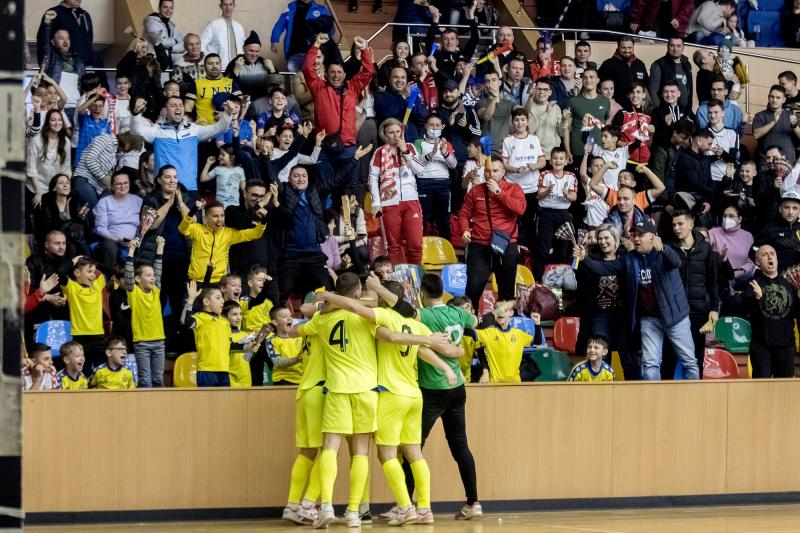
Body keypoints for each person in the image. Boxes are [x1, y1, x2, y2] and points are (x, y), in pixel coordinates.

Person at [317, 281, 460, 525]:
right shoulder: (416, 325)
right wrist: (445, 365)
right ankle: (424, 508)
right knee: (414, 454)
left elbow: (390, 334)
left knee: (387, 456)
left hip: (390, 395)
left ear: (383, 300)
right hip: (414, 395)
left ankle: (405, 506)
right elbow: (433, 349)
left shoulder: (382, 318)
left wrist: (327, 296)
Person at [579, 220, 700, 380]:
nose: (636, 238)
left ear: (653, 237)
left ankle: (695, 402)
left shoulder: (663, 252)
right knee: (650, 365)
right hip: (649, 319)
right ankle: (651, 402)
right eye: (633, 235)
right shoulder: (629, 258)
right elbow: (604, 269)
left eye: (641, 235)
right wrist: (585, 258)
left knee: (688, 361)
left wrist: (663, 249)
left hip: (675, 317)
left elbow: (676, 262)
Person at [274, 147, 370, 303]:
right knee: (282, 292)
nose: (300, 179)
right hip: (290, 255)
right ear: (289, 179)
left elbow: (336, 179)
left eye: (303, 176)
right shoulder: (284, 191)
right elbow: (271, 174)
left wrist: (355, 159)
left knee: (328, 289)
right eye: (296, 176)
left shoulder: (313, 192)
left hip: (314, 255)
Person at [303, 33, 374, 193]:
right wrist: (315, 45)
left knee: (349, 190)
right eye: (332, 72)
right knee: (323, 189)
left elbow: (368, 72)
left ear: (345, 75)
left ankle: (348, 217)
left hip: (348, 147)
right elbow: (307, 68)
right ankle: (326, 217)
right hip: (324, 147)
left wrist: (364, 49)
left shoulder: (352, 87)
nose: (336, 75)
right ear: (326, 74)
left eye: (339, 72)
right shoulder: (318, 87)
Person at [131, 96, 235, 198]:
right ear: (165, 110)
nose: (178, 108)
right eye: (173, 105)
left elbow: (219, 128)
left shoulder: (193, 129)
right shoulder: (157, 130)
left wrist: (228, 114)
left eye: (180, 105)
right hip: (164, 190)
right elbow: (136, 132)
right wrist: (135, 114)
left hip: (189, 189)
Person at [459, 159, 526, 308]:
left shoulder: (514, 188)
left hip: (506, 245)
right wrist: (464, 229)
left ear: (503, 172)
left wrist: (498, 192)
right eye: (488, 171)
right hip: (480, 245)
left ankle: (503, 328)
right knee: (473, 289)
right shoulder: (475, 191)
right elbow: (463, 214)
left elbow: (520, 209)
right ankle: (471, 325)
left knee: (506, 293)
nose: (491, 174)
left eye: (495, 171)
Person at [667, 211, 720, 378]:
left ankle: (695, 399)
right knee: (668, 357)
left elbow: (713, 281)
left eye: (680, 224)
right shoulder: (669, 248)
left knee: (696, 357)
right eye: (674, 224)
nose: (676, 228)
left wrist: (714, 308)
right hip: (675, 312)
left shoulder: (705, 248)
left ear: (691, 225)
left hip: (699, 310)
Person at [369, 118, 424, 265]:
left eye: (398, 132)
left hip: (411, 201)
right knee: (393, 246)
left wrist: (405, 151)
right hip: (389, 202)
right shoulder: (379, 152)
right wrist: (376, 202)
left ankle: (416, 279)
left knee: (415, 245)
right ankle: (398, 282)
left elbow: (420, 170)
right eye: (391, 133)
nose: (395, 135)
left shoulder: (410, 147)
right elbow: (373, 179)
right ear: (384, 135)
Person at [183, 281, 257, 387]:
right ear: (206, 302)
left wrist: (247, 346)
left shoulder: (224, 322)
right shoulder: (200, 318)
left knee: (224, 403)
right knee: (208, 403)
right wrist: (190, 299)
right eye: (218, 298)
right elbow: (185, 321)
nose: (222, 301)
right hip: (207, 371)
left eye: (222, 297)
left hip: (224, 370)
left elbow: (229, 345)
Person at [742, 245, 799, 378]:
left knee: (785, 391)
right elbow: (744, 310)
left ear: (777, 259)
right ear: (757, 262)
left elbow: (796, 312)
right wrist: (757, 298)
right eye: (764, 255)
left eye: (772, 254)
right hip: (762, 346)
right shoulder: (753, 284)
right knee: (761, 391)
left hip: (786, 346)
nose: (769, 257)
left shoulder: (790, 284)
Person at [178, 199, 266, 285]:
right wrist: (193, 210)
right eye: (215, 216)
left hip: (219, 281)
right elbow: (182, 228)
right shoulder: (197, 229)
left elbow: (255, 234)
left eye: (222, 215)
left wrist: (263, 221)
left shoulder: (229, 233)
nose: (220, 219)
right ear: (205, 218)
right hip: (195, 281)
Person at [502, 107, 546, 251]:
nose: (520, 123)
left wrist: (535, 166)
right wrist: (516, 169)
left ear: (527, 121)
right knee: (513, 221)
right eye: (516, 120)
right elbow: (504, 164)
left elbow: (543, 162)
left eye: (522, 119)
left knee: (530, 222)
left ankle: (530, 253)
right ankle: (513, 249)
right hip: (513, 187)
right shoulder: (508, 140)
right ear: (512, 122)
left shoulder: (534, 139)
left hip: (532, 188)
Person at [125, 236, 165, 388]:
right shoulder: (133, 292)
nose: (153, 278)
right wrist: (131, 250)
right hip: (141, 343)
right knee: (145, 380)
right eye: (148, 275)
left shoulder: (156, 290)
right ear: (137, 279)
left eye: (153, 275)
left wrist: (160, 247)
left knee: (158, 380)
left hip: (159, 341)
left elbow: (159, 269)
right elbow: (128, 274)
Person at [534, 147, 578, 280]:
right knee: (543, 249)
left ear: (566, 161)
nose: (558, 161)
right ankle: (538, 279)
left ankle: (559, 280)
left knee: (563, 250)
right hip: (546, 214)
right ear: (550, 160)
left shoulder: (571, 176)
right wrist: (547, 191)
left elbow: (574, 198)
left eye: (561, 158)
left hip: (563, 215)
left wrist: (567, 195)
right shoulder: (545, 174)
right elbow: (539, 196)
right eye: (555, 158)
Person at [477, 302, 542, 383]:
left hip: (515, 383)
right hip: (494, 383)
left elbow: (537, 342)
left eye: (504, 310)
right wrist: (485, 371)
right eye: (498, 310)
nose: (501, 313)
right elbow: (472, 332)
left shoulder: (518, 334)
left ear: (511, 313)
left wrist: (537, 323)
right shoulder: (488, 333)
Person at [416, 114, 457, 240]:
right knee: (422, 220)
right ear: (426, 126)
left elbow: (453, 165)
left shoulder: (446, 144)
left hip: (443, 185)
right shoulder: (419, 143)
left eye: (437, 125)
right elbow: (416, 164)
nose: (434, 128)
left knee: (444, 221)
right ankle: (419, 252)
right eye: (431, 125)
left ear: (442, 127)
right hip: (424, 184)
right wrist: (432, 153)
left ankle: (448, 252)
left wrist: (444, 152)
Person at [62, 255, 106, 372]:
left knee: (101, 371)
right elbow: (60, 272)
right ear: (77, 272)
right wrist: (74, 260)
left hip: (98, 335)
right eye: (89, 271)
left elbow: (110, 269)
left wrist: (91, 261)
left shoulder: (97, 284)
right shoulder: (71, 287)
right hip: (80, 336)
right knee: (82, 371)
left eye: (94, 271)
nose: (93, 274)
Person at [92, 171, 143, 273]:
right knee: (109, 246)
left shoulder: (138, 200)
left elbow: (143, 224)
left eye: (125, 183)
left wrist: (138, 238)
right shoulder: (105, 202)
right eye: (119, 184)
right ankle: (109, 279)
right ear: (112, 186)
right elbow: (100, 228)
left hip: (135, 239)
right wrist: (118, 240)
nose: (123, 186)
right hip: (112, 239)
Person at [225, 31, 283, 114]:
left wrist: (272, 70)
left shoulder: (265, 62)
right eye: (251, 51)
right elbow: (226, 87)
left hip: (264, 103)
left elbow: (278, 87)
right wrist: (235, 71)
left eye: (257, 51)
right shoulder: (235, 63)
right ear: (244, 49)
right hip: (242, 103)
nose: (254, 54)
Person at [26, 109, 72, 211]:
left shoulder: (66, 141)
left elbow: (66, 168)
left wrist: (64, 189)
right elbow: (31, 167)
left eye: (60, 120)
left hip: (56, 189)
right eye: (53, 120)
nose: (57, 123)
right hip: (36, 187)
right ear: (47, 122)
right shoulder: (37, 140)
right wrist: (38, 192)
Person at [270, 0, 334, 73]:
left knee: (311, 77)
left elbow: (331, 30)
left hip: (314, 52)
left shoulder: (321, 10)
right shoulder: (291, 7)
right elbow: (279, 25)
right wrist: (274, 39)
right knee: (295, 77)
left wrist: (323, 35)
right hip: (294, 52)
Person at [565, 68, 611, 164]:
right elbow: (566, 128)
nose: (588, 80)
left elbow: (608, 127)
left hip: (599, 151)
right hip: (578, 151)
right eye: (585, 77)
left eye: (591, 77)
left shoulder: (605, 101)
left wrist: (608, 148)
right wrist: (568, 151)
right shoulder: (573, 101)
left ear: (598, 80)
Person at [38, 22, 84, 117]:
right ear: (53, 41)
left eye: (67, 38)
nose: (65, 41)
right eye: (61, 38)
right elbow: (43, 44)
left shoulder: (78, 61)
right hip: (59, 107)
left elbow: (83, 85)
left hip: (77, 108)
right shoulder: (51, 58)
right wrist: (46, 25)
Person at [36, 1, 98, 71]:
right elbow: (43, 42)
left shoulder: (85, 15)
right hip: (64, 69)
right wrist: (45, 68)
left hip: (86, 69)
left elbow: (89, 41)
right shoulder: (53, 13)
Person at [374, 67, 429, 143]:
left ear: (406, 80)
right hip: (391, 144)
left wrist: (412, 100)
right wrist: (403, 96)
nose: (400, 80)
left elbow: (423, 117)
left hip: (412, 142)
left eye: (403, 77)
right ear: (389, 80)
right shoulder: (381, 95)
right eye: (396, 77)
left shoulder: (413, 96)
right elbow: (386, 112)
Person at [184, 54, 241, 125]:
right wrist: (190, 124)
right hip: (204, 127)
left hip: (227, 127)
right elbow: (188, 107)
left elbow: (240, 104)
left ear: (221, 65)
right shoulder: (196, 84)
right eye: (210, 64)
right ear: (204, 66)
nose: (214, 66)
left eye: (217, 63)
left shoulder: (231, 82)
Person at [752, 85, 800, 168]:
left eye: (778, 98)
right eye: (772, 97)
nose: (774, 100)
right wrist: (774, 121)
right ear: (768, 97)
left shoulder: (791, 115)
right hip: (765, 163)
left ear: (784, 100)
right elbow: (756, 135)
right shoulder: (760, 116)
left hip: (786, 162)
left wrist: (795, 126)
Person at [598, 37, 649, 110]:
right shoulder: (608, 64)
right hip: (616, 110)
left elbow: (646, 87)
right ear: (618, 47)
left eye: (629, 47)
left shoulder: (640, 64)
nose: (627, 50)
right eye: (623, 48)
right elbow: (599, 86)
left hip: (638, 109)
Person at [755, 192, 800, 273]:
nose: (790, 212)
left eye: (795, 208)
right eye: (786, 207)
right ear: (780, 209)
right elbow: (755, 250)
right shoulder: (769, 229)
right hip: (777, 276)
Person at [649, 37, 693, 110]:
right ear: (667, 46)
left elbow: (689, 91)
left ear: (683, 47)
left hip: (684, 112)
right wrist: (661, 112)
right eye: (672, 45)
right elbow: (652, 92)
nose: (675, 49)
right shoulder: (659, 64)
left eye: (678, 46)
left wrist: (688, 110)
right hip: (666, 114)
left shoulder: (687, 64)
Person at [476, 70, 514, 155]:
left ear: (499, 82)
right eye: (487, 81)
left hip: (504, 148)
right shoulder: (481, 102)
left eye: (494, 80)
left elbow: (523, 112)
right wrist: (494, 98)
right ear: (485, 85)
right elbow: (486, 117)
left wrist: (530, 98)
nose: (491, 83)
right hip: (486, 149)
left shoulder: (509, 103)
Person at [200, 0, 246, 69]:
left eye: (230, 4)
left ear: (234, 6)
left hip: (239, 68)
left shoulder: (239, 27)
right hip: (220, 69)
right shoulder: (213, 24)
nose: (228, 8)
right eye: (225, 5)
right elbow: (201, 45)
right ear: (220, 6)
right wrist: (211, 61)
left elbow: (244, 48)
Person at [200, 144, 246, 209]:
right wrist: (208, 163)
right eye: (219, 154)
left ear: (232, 157)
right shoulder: (218, 169)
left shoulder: (240, 170)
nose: (220, 156)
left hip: (235, 206)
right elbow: (203, 179)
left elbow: (244, 188)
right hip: (220, 206)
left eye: (223, 154)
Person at [705, 99, 739, 183]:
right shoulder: (703, 133)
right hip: (708, 179)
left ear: (723, 113)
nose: (712, 116)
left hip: (726, 179)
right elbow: (700, 160)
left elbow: (733, 158)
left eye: (716, 112)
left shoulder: (732, 133)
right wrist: (717, 156)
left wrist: (722, 153)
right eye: (710, 112)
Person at [143, 0, 184, 70]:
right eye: (165, 7)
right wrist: (175, 41)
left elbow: (183, 46)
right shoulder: (151, 22)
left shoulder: (171, 25)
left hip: (169, 65)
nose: (168, 10)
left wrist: (170, 48)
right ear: (159, 8)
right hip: (153, 64)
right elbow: (162, 42)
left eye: (171, 8)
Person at [630, 0, 694, 39]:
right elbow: (640, 2)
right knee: (655, 45)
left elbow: (688, 5)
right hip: (653, 20)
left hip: (674, 24)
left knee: (673, 48)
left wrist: (679, 19)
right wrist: (635, 20)